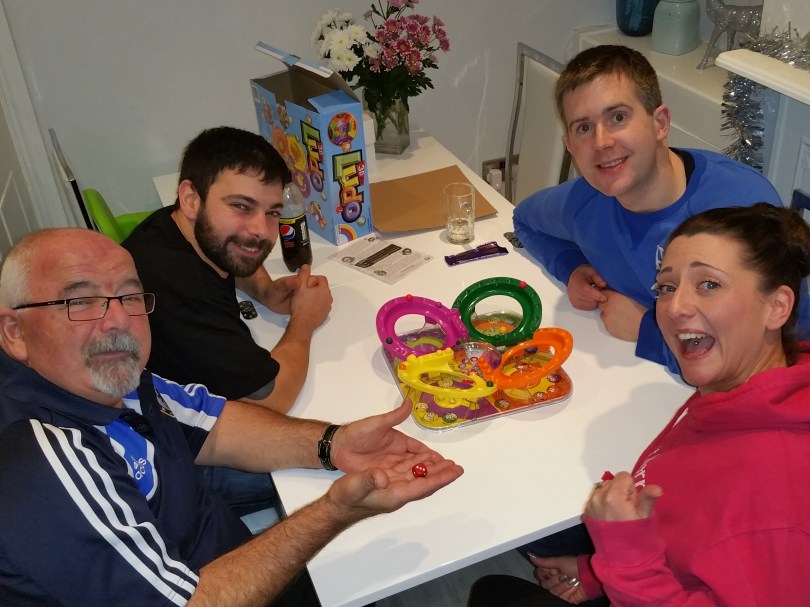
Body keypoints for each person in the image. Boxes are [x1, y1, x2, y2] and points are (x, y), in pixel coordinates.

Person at [0, 228, 463, 606]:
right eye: (79, 301)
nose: (117, 320)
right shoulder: (41, 463)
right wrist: (333, 513)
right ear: (14, 331)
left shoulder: (108, 378)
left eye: (129, 296)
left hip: (238, 566)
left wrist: (333, 443)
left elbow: (216, 426)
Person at [468, 202, 810, 606]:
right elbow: (682, 527)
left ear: (777, 306)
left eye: (709, 284)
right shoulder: (736, 390)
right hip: (646, 572)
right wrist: (595, 572)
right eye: (667, 287)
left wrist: (625, 557)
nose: (674, 307)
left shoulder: (779, 494)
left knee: (493, 590)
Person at [511, 44, 802, 374]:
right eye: (584, 128)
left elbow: (784, 345)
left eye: (618, 117)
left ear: (660, 123)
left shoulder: (740, 204)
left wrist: (648, 331)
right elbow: (526, 221)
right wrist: (571, 267)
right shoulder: (584, 200)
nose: (601, 142)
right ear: (570, 146)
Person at [123, 126, 332, 513]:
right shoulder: (177, 286)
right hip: (166, 461)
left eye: (271, 212)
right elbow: (273, 398)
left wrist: (265, 290)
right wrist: (304, 320)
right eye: (241, 206)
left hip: (158, 408)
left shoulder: (174, 227)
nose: (261, 231)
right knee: (326, 464)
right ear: (191, 198)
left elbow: (230, 251)